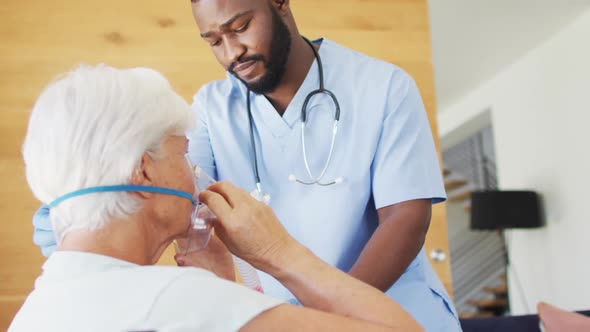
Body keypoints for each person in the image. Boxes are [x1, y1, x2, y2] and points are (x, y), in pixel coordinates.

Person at [33, 0, 460, 330]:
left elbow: (406, 219)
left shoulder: (384, 88)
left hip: (392, 304)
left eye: (240, 28)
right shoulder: (212, 109)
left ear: (279, 2)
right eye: (214, 41)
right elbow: (180, 195)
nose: (232, 51)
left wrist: (324, 316)